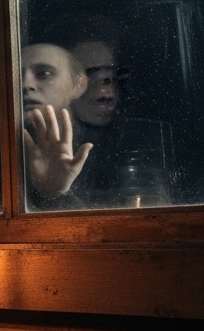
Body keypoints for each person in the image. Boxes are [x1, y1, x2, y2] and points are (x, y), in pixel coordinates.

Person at [69, 38, 177, 207]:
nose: (107, 91)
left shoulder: (145, 137)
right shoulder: (45, 140)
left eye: (112, 78)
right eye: (91, 74)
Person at [21, 42, 92, 208]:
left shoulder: (109, 150)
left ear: (78, 85)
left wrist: (55, 194)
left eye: (44, 73)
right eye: (16, 75)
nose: (25, 85)